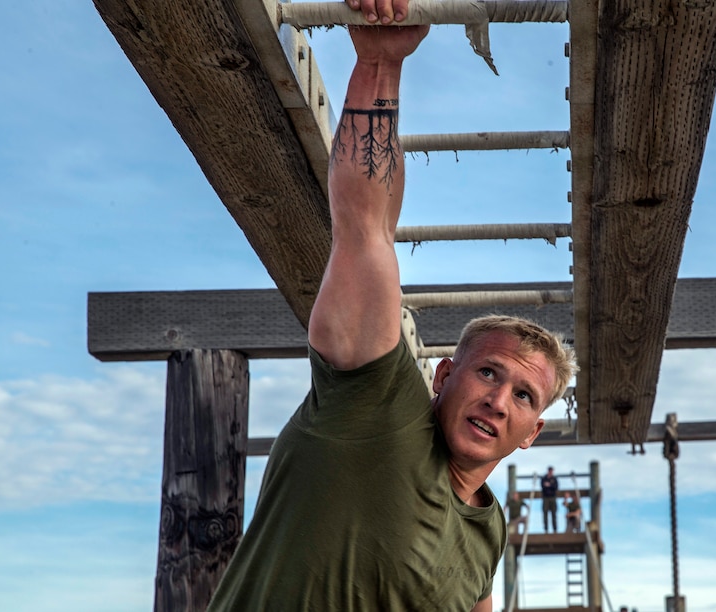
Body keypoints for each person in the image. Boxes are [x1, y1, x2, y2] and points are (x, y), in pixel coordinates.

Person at [206, 2, 576, 610]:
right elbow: (364, 227)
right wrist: (381, 62)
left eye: (523, 396)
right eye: (488, 372)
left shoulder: (489, 531)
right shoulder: (375, 407)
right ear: (445, 375)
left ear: (532, 433)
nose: (497, 399)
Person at [541, 465, 559, 533]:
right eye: (550, 471)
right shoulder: (544, 478)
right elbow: (543, 486)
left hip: (552, 498)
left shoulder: (554, 479)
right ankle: (546, 529)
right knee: (545, 513)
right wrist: (549, 486)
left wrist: (549, 485)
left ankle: (555, 529)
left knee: (553, 513)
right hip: (546, 498)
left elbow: (556, 487)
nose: (551, 472)